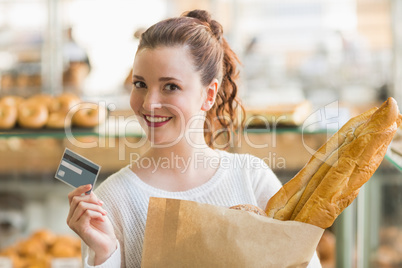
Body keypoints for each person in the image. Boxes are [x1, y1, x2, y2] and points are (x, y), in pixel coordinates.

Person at [66, 10, 322, 267]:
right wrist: (104, 255)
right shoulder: (112, 201)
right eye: (140, 84)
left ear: (209, 94)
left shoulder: (251, 178)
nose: (149, 103)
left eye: (171, 86)